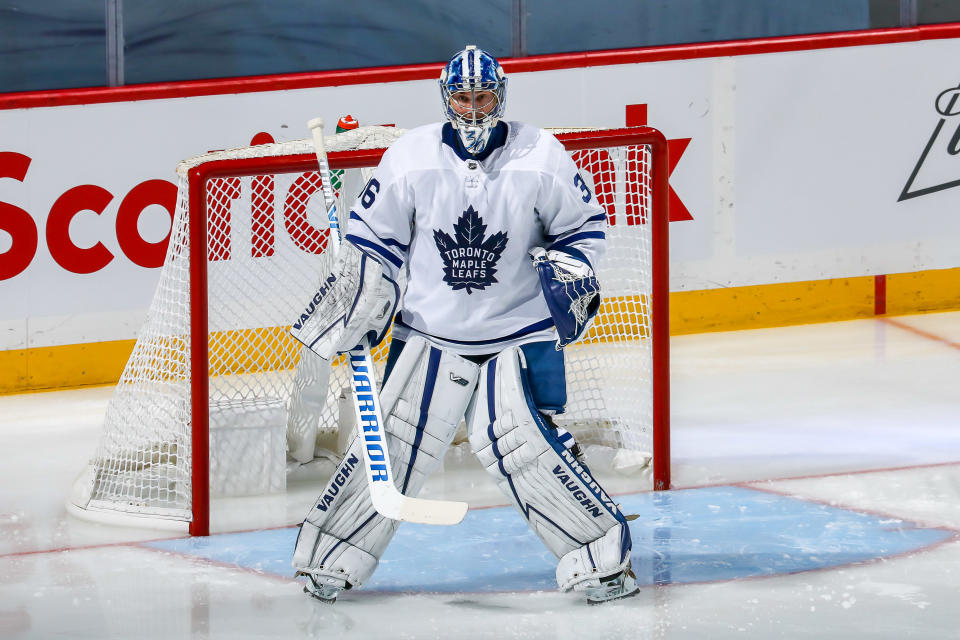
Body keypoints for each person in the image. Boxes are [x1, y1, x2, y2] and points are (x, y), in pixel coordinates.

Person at [290, 45, 638, 605]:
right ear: (445, 98)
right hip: (430, 332)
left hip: (518, 333)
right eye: (463, 99)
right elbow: (372, 242)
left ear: (501, 96)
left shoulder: (541, 155)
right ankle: (329, 559)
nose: (474, 110)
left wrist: (570, 270)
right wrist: (364, 294)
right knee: (391, 446)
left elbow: (583, 228)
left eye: (483, 98)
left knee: (523, 448)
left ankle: (602, 560)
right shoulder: (411, 157)